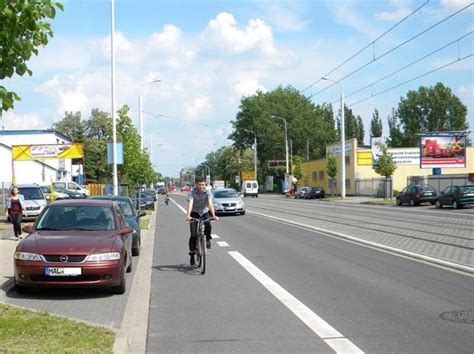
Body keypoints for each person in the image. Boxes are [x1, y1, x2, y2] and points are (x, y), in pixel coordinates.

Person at [185, 177, 218, 266]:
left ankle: (207, 239)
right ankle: (192, 254)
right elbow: (190, 204)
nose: (201, 186)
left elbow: (210, 203)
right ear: (196, 185)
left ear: (205, 185)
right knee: (193, 234)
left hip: (204, 212)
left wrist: (214, 215)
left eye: (203, 185)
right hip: (194, 213)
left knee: (208, 224)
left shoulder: (208, 191)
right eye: (199, 185)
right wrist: (188, 215)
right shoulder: (192, 192)